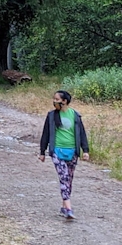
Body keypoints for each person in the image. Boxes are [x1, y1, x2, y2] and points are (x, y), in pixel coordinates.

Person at [38, 89, 90, 220]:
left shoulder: (75, 116)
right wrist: (42, 151)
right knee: (64, 178)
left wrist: (86, 150)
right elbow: (45, 134)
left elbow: (82, 133)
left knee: (69, 179)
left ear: (64, 101)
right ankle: (68, 209)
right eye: (54, 99)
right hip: (57, 151)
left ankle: (63, 206)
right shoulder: (51, 116)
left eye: (57, 99)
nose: (54, 102)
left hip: (73, 152)